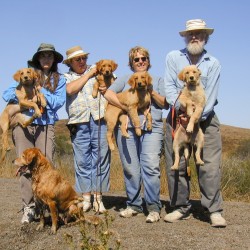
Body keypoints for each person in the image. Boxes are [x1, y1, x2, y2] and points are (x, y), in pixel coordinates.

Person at [164, 19, 227, 227]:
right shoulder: (173, 58)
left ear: (205, 37)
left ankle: (213, 210)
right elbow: (170, 89)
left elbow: (210, 98)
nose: (194, 37)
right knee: (177, 163)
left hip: (206, 118)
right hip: (177, 116)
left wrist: (194, 117)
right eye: (190, 34)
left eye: (198, 34)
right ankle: (180, 206)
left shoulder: (213, 63)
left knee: (209, 166)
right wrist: (182, 112)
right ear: (184, 36)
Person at [2, 43, 66, 223]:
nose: (46, 59)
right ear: (38, 58)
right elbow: (7, 94)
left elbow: (58, 102)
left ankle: (47, 205)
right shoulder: (26, 75)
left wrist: (40, 89)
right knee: (24, 166)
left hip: (45, 125)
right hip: (23, 126)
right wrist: (26, 91)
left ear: (54, 60)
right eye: (43, 55)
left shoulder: (58, 80)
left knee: (47, 164)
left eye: (50, 56)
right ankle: (29, 207)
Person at [104, 46, 168, 223]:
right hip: (127, 129)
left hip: (151, 128)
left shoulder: (158, 80)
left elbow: (164, 104)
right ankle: (133, 204)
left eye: (144, 58)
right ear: (131, 63)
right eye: (136, 59)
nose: (140, 62)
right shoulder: (125, 79)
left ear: (148, 60)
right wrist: (125, 108)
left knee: (150, 166)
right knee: (130, 168)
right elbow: (108, 94)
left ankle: (153, 207)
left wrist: (150, 90)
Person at [64, 46, 110, 213]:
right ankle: (86, 198)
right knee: (82, 161)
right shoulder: (66, 77)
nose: (82, 62)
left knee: (100, 158)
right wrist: (88, 75)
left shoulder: (96, 68)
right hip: (78, 122)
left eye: (84, 58)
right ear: (70, 62)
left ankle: (98, 198)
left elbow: (112, 80)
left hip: (99, 119)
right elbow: (70, 90)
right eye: (78, 59)